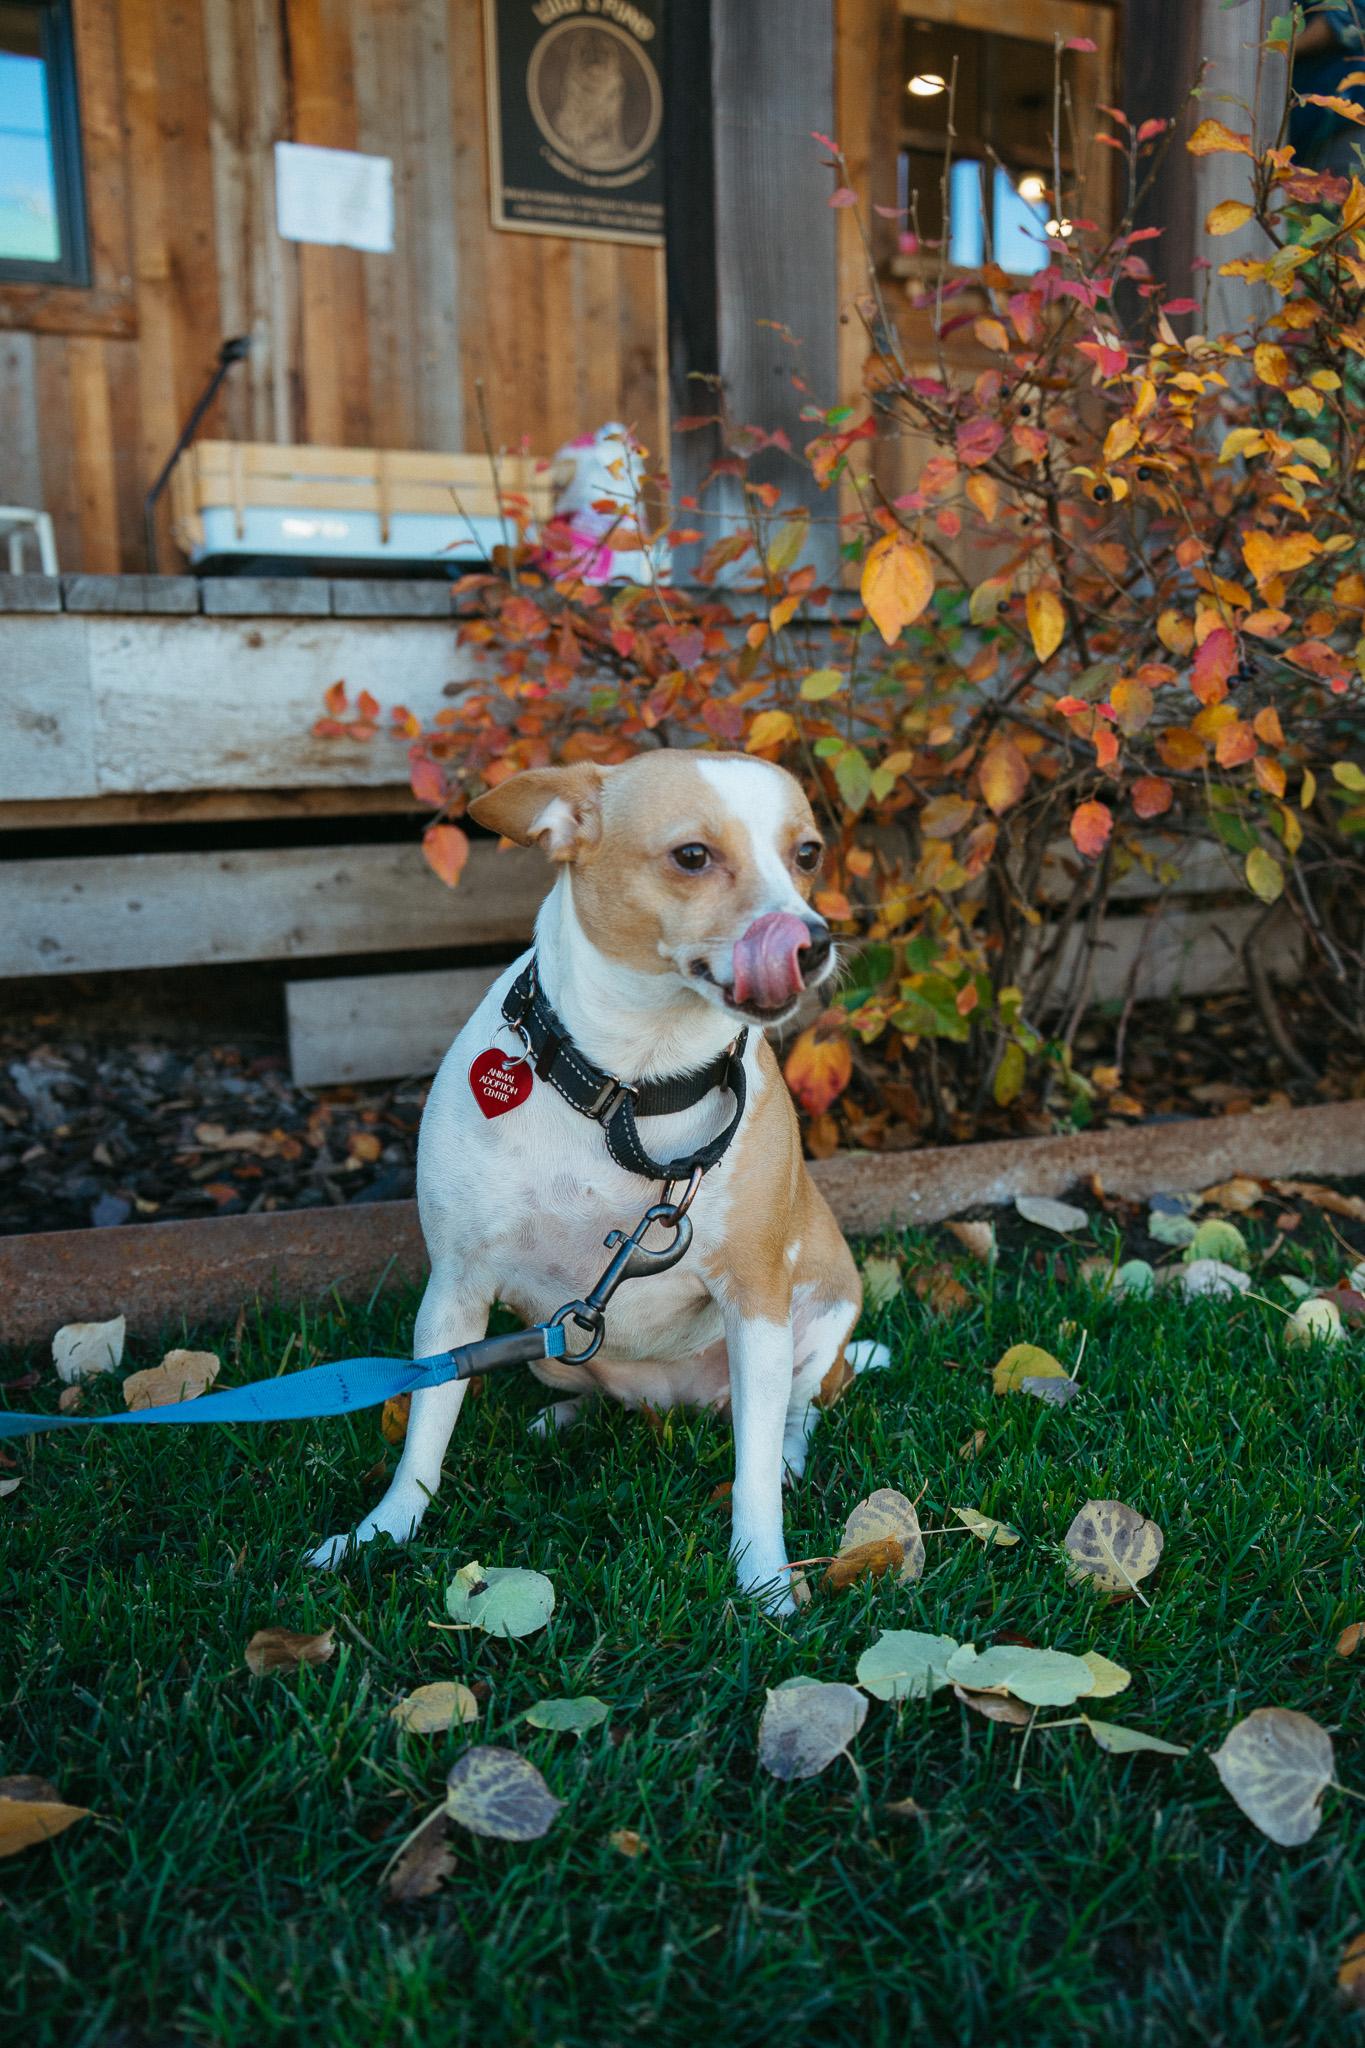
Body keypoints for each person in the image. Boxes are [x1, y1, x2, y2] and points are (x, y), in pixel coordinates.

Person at [1290, 4, 1365, 172]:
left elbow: (1354, 13)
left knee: (1345, 191)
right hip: (1301, 124)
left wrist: (1280, 49)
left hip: (1344, 118)